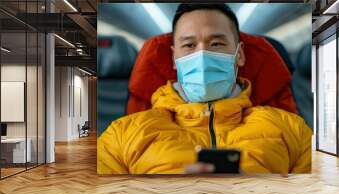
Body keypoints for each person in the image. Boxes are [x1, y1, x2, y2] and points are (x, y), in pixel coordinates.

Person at [97, 3, 312, 174]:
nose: (201, 55)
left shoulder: (294, 131)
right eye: (189, 45)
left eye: (216, 44)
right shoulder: (120, 135)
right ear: (174, 58)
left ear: (239, 54)